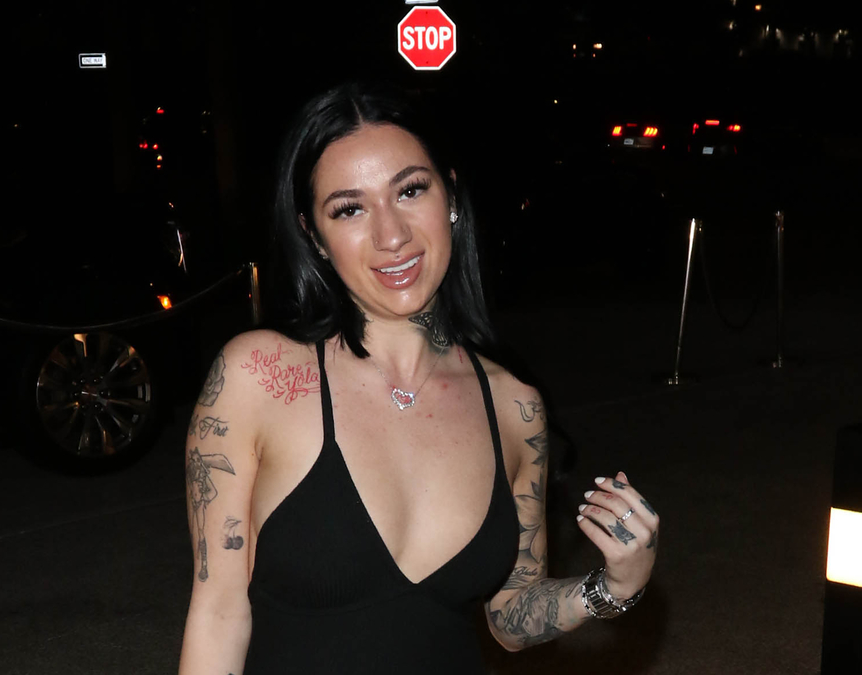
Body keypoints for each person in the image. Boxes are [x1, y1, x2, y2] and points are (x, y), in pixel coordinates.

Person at [178, 82, 658, 674]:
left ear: (449, 195)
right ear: (313, 236)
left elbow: (510, 617)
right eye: (349, 208)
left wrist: (614, 585)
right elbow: (219, 611)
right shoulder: (258, 377)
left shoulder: (515, 407)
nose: (392, 235)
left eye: (409, 190)